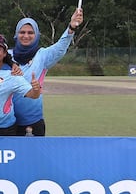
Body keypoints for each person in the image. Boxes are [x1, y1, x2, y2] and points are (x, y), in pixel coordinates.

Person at [11, 8, 84, 136]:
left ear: (36, 35)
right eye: (22, 32)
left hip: (33, 122)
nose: (26, 36)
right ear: (16, 34)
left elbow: (60, 47)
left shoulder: (42, 55)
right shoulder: (7, 56)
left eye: (30, 32)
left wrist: (71, 28)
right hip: (9, 122)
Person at [0, 33, 41, 136]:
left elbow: (33, 95)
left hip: (5, 130)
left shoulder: (12, 74)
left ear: (5, 53)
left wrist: (36, 89)